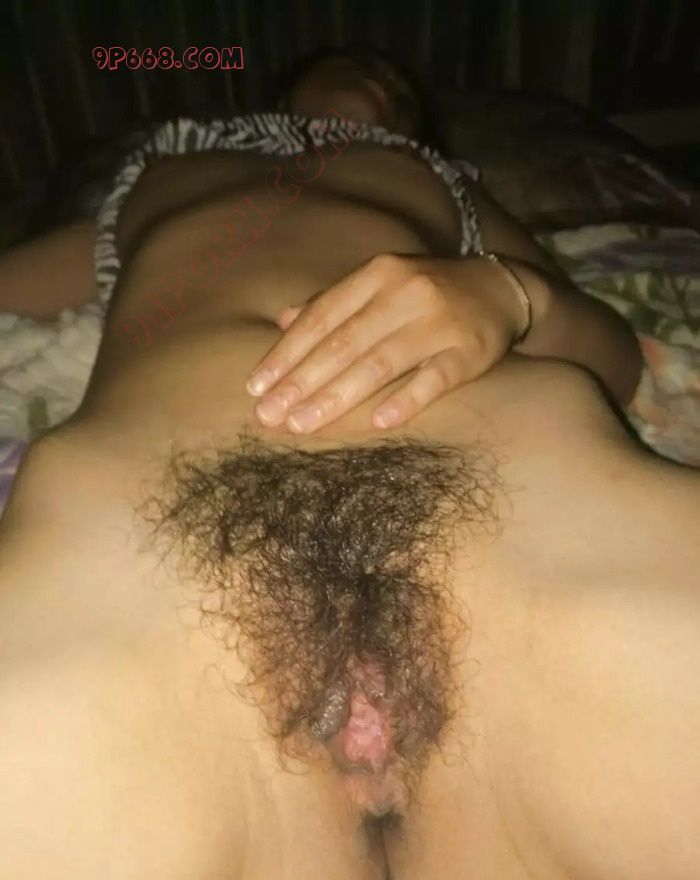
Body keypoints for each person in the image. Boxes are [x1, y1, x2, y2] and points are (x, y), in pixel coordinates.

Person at [0, 48, 698, 880]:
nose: (383, 79)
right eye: (352, 62)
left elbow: (610, 356)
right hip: (126, 583)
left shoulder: (439, 178)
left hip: (552, 532)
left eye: (398, 83)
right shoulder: (159, 170)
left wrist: (512, 295)